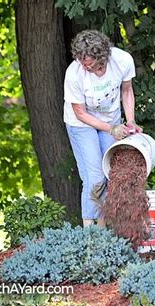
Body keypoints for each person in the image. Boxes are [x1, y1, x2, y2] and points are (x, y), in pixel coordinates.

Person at [63, 29, 143, 227]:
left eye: (87, 60)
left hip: (111, 119)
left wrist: (130, 121)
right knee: (94, 176)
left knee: (109, 173)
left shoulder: (122, 61)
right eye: (80, 59)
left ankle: (102, 229)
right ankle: (89, 232)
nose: (84, 65)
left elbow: (127, 91)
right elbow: (80, 113)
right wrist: (112, 129)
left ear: (102, 55)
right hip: (81, 124)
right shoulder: (74, 73)